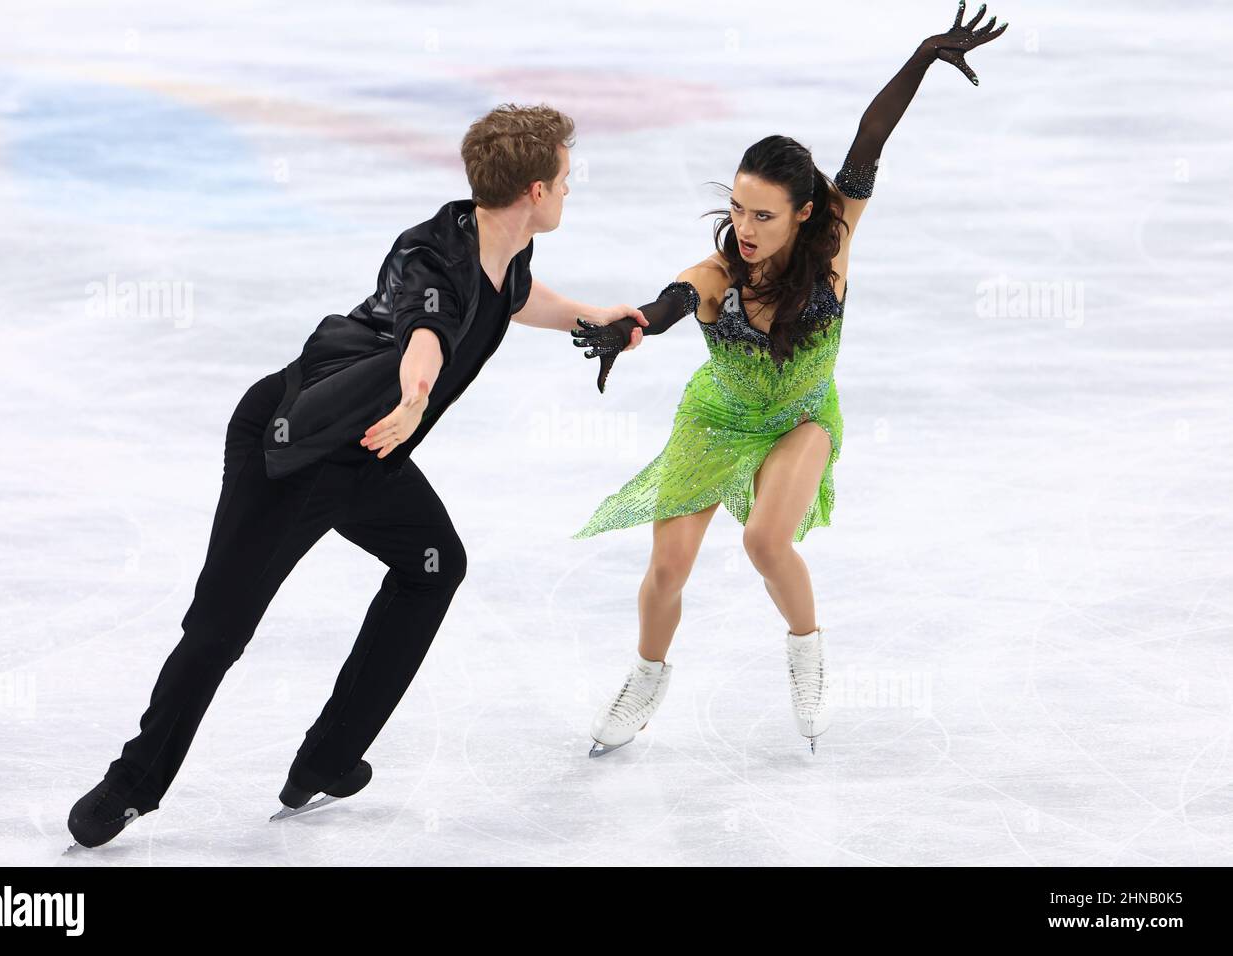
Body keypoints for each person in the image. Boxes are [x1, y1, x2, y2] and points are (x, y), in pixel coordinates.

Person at [67, 103, 649, 848]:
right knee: (222, 625)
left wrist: (589, 318)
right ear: (534, 189)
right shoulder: (433, 254)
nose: (572, 189)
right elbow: (426, 333)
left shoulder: (502, 245)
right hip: (293, 446)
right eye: (565, 178)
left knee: (433, 565)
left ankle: (329, 757)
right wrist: (414, 398)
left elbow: (511, 295)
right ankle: (130, 785)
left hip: (368, 452)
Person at [570, 2, 1007, 756]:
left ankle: (806, 653)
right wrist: (622, 327)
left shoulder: (835, 235)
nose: (745, 226)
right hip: (717, 419)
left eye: (765, 215)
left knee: (768, 543)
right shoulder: (714, 275)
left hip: (803, 417)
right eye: (738, 208)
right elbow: (666, 306)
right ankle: (646, 676)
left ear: (806, 214)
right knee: (667, 567)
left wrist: (922, 56)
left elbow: (869, 138)